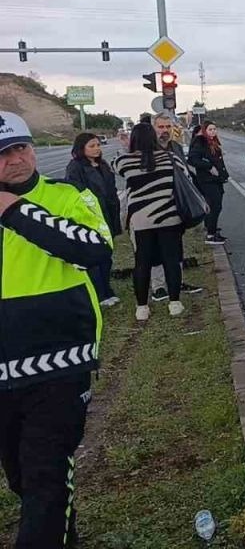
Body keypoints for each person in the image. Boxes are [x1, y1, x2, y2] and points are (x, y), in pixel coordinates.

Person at [0, 111, 113, 547]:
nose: (16, 159)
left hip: (58, 365)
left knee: (46, 478)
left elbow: (94, 250)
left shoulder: (66, 195)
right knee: (25, 481)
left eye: (21, 147)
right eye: (3, 153)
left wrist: (17, 213)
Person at [113, 123, 187, 322]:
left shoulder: (124, 161)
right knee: (171, 261)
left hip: (141, 221)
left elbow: (116, 167)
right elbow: (184, 174)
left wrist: (126, 146)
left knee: (142, 263)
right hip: (169, 217)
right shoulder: (169, 158)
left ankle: (142, 308)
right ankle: (174, 303)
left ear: (134, 139)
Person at [144, 113, 202, 299]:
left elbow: (185, 173)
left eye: (168, 127)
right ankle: (159, 286)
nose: (165, 131)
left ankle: (177, 281)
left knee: (176, 246)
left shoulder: (175, 147)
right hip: (153, 207)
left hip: (176, 204)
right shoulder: (146, 150)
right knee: (155, 249)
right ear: (153, 128)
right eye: (161, 127)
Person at [64, 132, 123, 308]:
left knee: (107, 255)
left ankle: (106, 289)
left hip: (107, 215)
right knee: (94, 258)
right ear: (82, 148)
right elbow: (75, 193)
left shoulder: (102, 165)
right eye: (92, 146)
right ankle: (99, 293)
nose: (97, 149)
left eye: (98, 145)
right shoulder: (75, 167)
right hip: (89, 218)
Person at [188, 121, 229, 245]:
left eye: (214, 129)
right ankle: (210, 235)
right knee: (214, 206)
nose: (213, 131)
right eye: (210, 129)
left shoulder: (213, 142)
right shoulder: (200, 141)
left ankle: (212, 230)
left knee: (216, 205)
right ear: (204, 130)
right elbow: (193, 159)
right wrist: (209, 167)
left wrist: (223, 174)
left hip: (216, 180)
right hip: (207, 180)